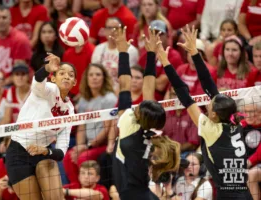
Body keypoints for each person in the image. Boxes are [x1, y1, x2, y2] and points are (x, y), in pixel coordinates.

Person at [158, 25, 253, 199]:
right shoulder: (234, 122)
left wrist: (165, 62)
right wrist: (195, 52)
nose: (208, 103)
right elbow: (209, 84)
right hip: (245, 193)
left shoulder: (211, 129)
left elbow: (183, 93)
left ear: (215, 114)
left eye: (210, 105)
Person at [111, 25, 180, 199]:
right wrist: (151, 54)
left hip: (130, 193)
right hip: (143, 191)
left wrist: (122, 52)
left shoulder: (128, 124)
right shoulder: (154, 129)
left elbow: (124, 84)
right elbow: (149, 87)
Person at [5, 53, 76, 199]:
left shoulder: (70, 110)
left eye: (71, 75)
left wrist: (45, 151)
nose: (67, 76)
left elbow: (61, 151)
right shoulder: (48, 89)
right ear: (53, 78)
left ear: (75, 82)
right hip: (19, 153)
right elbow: (38, 81)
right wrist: (47, 68)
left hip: (43, 154)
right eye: (62, 73)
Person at [64, 63, 117, 183]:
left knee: (83, 158)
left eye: (98, 74)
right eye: (91, 75)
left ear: (104, 78)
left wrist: (87, 146)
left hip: (103, 144)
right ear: (86, 79)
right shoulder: (83, 100)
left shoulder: (109, 98)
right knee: (68, 157)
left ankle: (91, 190)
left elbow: (107, 129)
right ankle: (77, 191)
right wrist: (79, 146)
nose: (94, 77)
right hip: (89, 144)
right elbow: (81, 128)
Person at [91, 17, 139, 94]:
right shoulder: (98, 49)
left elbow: (130, 78)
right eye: (109, 28)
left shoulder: (131, 50)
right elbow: (92, 73)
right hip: (101, 93)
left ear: (122, 30)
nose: (112, 31)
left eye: (116, 28)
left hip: (122, 92)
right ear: (104, 30)